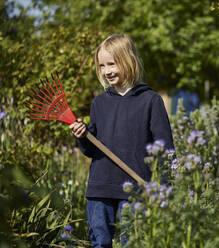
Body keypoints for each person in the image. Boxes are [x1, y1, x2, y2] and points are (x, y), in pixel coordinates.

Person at [69, 34, 174, 247]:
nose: (107, 71)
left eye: (112, 64)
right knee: (100, 243)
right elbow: (91, 149)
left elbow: (165, 150)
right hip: (100, 188)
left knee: (132, 243)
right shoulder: (99, 102)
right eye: (102, 66)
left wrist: (162, 189)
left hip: (135, 189)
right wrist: (82, 135)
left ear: (129, 60)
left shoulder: (150, 100)